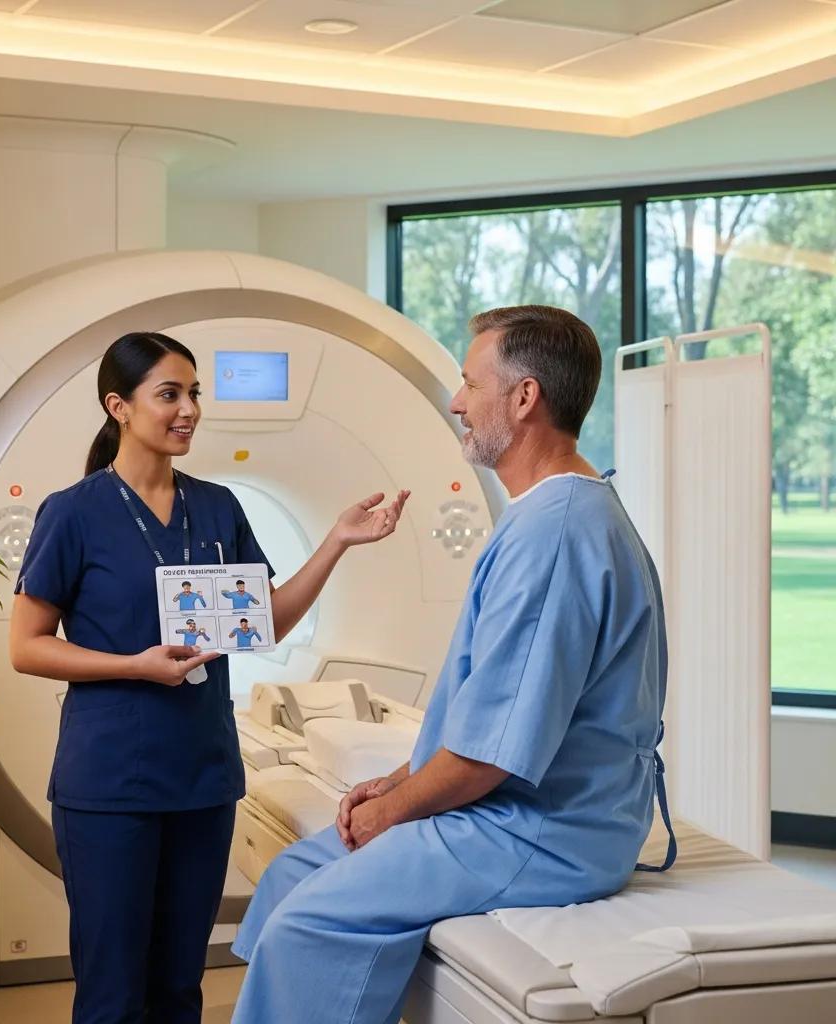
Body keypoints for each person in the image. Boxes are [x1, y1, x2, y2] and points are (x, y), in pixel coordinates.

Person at [231, 305, 671, 1024]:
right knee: (294, 873)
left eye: (470, 384)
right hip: (511, 809)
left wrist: (392, 815)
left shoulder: (555, 535)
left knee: (307, 924)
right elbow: (489, 717)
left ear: (524, 398)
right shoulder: (545, 515)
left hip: (544, 831)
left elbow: (491, 756)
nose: (456, 401)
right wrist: (397, 782)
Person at [8, 331, 410, 1024]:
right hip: (110, 784)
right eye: (169, 394)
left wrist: (337, 542)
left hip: (202, 777)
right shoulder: (73, 513)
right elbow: (27, 646)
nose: (189, 408)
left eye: (194, 393)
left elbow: (267, 622)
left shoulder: (218, 506)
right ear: (119, 407)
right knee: (112, 995)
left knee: (179, 990)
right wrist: (132, 666)